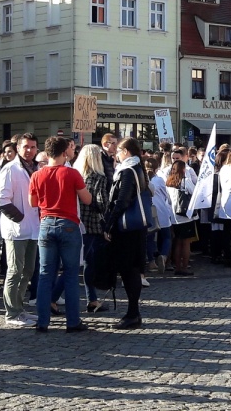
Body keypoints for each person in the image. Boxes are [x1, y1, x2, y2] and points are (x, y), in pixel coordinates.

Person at [28, 136, 91, 333]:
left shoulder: (37, 175)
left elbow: (32, 203)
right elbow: (87, 199)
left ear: (46, 154)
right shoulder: (72, 174)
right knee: (71, 274)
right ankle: (72, 322)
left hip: (46, 224)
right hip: (69, 224)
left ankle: (42, 322)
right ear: (65, 153)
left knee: (45, 274)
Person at [0, 133, 41, 327]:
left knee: (28, 270)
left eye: (32, 147)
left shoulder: (37, 169)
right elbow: (1, 200)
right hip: (16, 229)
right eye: (25, 147)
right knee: (15, 271)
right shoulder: (11, 169)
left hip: (33, 229)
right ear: (18, 148)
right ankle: (11, 313)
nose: (29, 150)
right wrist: (20, 218)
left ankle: (20, 308)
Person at [103, 137, 148, 329]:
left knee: (129, 271)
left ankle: (132, 313)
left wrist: (109, 223)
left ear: (127, 152)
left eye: (119, 151)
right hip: (135, 228)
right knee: (132, 270)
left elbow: (122, 201)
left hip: (127, 229)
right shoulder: (137, 168)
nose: (117, 154)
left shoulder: (128, 171)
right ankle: (133, 313)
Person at [72, 144, 111, 312]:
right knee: (79, 264)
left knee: (86, 262)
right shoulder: (98, 177)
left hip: (76, 221)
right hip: (92, 224)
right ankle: (53, 297)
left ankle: (92, 299)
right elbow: (102, 204)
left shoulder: (76, 174)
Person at [165, 160, 197, 276]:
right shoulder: (185, 181)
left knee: (177, 242)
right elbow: (194, 193)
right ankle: (184, 267)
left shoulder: (168, 182)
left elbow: (167, 200)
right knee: (186, 243)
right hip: (185, 215)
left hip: (173, 216)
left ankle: (177, 266)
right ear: (183, 170)